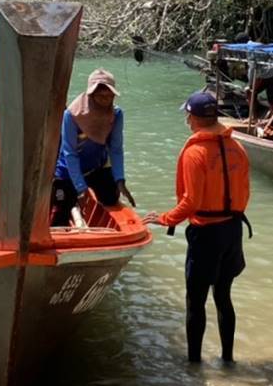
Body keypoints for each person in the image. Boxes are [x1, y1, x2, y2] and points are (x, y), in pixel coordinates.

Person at [143, 92, 251, 364]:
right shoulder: (237, 147)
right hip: (233, 230)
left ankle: (193, 365)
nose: (187, 120)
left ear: (194, 117)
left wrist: (165, 219)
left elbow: (191, 202)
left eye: (187, 115)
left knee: (196, 301)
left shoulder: (195, 153)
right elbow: (245, 192)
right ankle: (228, 359)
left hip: (206, 235)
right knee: (223, 296)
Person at [50, 69, 136, 227]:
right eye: (101, 96)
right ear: (91, 95)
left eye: (110, 96)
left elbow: (116, 149)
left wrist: (120, 180)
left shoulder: (116, 114)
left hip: (96, 167)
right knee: (59, 217)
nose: (106, 101)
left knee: (110, 198)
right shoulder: (72, 115)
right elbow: (70, 153)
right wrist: (80, 187)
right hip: (68, 170)